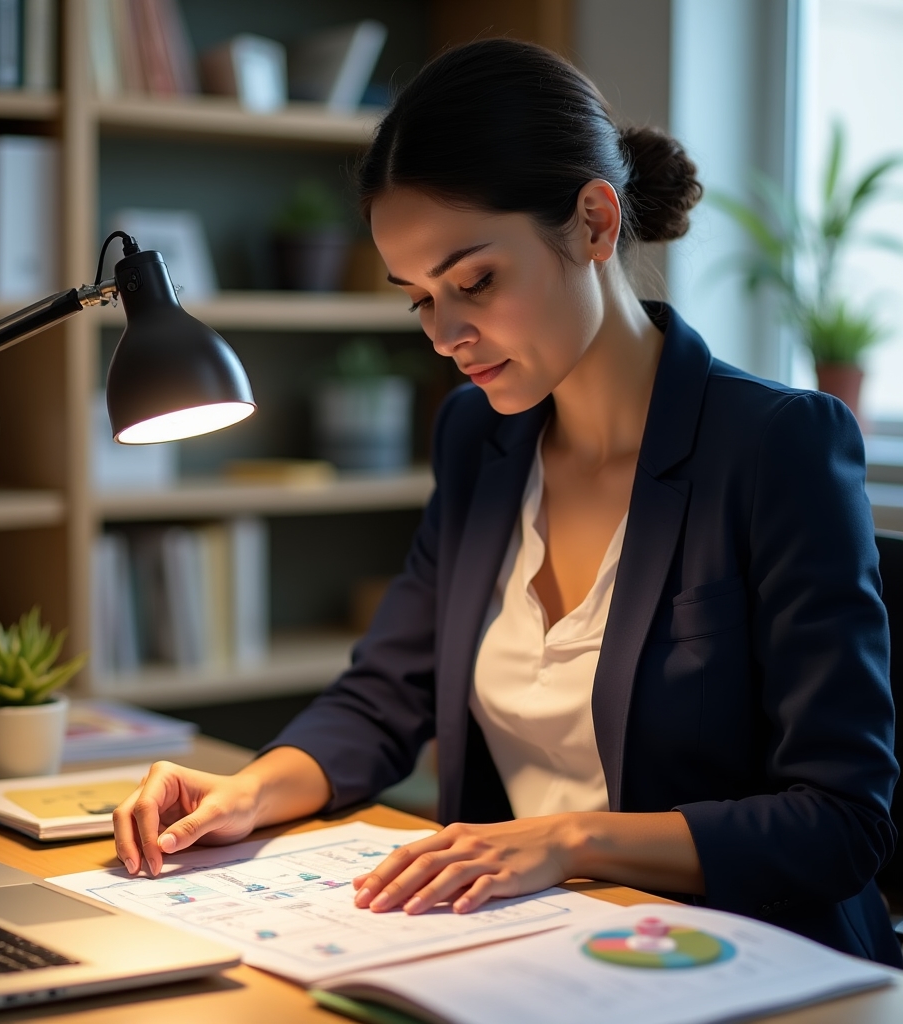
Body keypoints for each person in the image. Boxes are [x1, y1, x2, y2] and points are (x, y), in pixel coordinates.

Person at [113, 40, 900, 965]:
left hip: (748, 967)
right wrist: (249, 790)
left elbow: (840, 819)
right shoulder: (479, 439)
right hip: (528, 958)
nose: (446, 335)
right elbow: (384, 696)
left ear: (596, 224)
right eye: (418, 301)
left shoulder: (778, 446)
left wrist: (572, 837)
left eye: (475, 281)